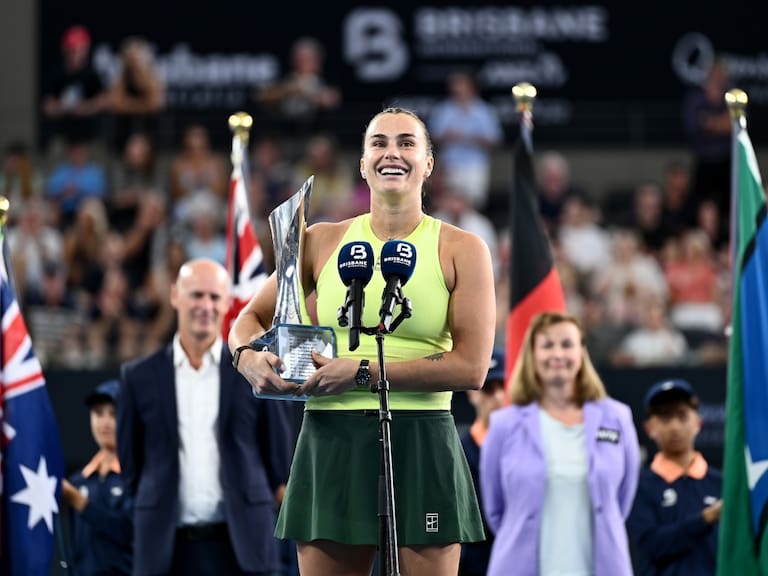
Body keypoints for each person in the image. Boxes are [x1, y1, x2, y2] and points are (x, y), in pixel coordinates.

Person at [228, 107, 496, 576]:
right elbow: (248, 317)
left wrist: (364, 372)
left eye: (407, 143)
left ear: (429, 163)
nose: (392, 153)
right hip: (331, 439)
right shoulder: (319, 240)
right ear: (362, 162)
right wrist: (245, 356)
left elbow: (472, 368)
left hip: (423, 436)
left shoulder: (463, 248)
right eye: (379, 143)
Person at [117, 258, 294, 576]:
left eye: (214, 297)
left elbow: (278, 461)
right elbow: (131, 466)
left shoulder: (253, 372)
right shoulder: (137, 377)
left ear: (227, 302)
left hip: (244, 549)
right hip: (164, 551)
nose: (205, 305)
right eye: (196, 295)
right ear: (175, 296)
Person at [480, 311, 640, 576]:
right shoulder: (503, 425)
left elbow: (621, 501)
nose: (557, 354)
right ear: (532, 354)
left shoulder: (617, 418)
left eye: (567, 344)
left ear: (582, 352)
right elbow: (496, 511)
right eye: (547, 345)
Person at [627, 378, 722, 575]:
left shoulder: (721, 483)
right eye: (665, 418)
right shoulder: (639, 486)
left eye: (682, 416)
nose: (674, 426)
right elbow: (650, 545)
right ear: (649, 428)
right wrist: (705, 519)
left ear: (698, 422)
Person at [62, 379, 132, 575]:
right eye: (98, 413)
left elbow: (129, 532)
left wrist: (80, 502)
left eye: (114, 414)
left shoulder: (138, 475)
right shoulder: (79, 480)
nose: (105, 422)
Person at [458, 349, 507, 576]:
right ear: (473, 394)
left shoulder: (529, 449)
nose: (498, 397)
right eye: (489, 389)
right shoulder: (457, 450)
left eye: (503, 387)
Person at [428, 69, 502, 211]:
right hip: (450, 164)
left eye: (461, 85)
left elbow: (495, 140)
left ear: (471, 87)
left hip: (475, 165)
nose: (458, 89)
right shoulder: (444, 110)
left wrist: (472, 138)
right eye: (455, 86)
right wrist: (448, 136)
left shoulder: (484, 111)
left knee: (475, 204)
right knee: (448, 205)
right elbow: (433, 139)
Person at [41, 25, 108, 148]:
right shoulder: (56, 75)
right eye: (72, 50)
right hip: (62, 136)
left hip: (89, 136)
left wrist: (85, 108)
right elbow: (47, 107)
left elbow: (104, 101)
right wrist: (65, 107)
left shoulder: (92, 75)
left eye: (80, 50)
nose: (76, 55)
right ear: (65, 50)